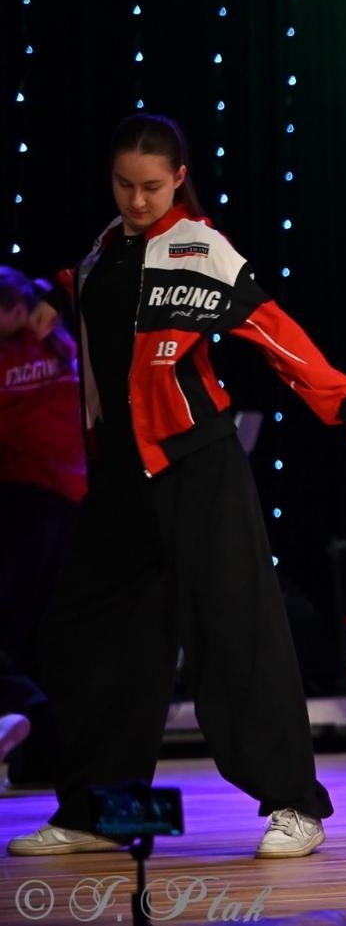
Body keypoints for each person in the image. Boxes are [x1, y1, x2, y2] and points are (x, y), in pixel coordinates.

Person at [8, 113, 346, 859]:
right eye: (123, 184)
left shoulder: (200, 247)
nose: (137, 199)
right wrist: (56, 287)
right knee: (95, 639)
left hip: (196, 463)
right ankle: (107, 813)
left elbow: (271, 327)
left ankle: (295, 806)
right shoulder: (102, 253)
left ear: (178, 178)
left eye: (151, 186)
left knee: (234, 633)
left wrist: (343, 400)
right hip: (119, 479)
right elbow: (100, 302)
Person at [0, 267, 86, 788]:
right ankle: (41, 756)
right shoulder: (59, 339)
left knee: (21, 631)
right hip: (66, 498)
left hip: (31, 499)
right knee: (43, 635)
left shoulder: (46, 344)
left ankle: (25, 713)